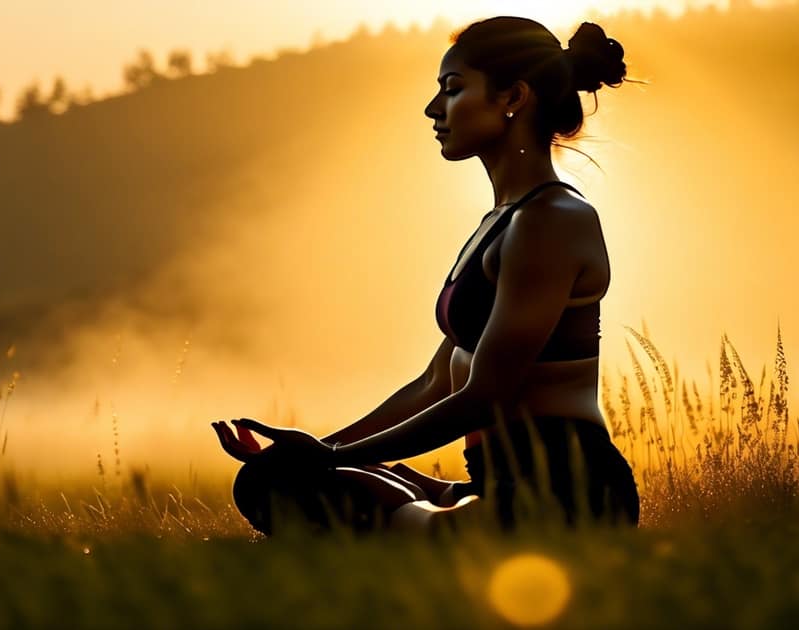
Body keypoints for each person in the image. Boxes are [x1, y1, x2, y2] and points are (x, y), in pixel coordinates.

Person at [213, 16, 641, 536]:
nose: (433, 109)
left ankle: (425, 517)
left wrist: (332, 460)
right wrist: (321, 450)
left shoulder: (551, 221)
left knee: (308, 490)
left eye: (453, 90)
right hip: (493, 483)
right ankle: (425, 509)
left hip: (563, 492)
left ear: (513, 97)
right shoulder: (503, 221)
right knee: (269, 480)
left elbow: (485, 394)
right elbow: (438, 381)